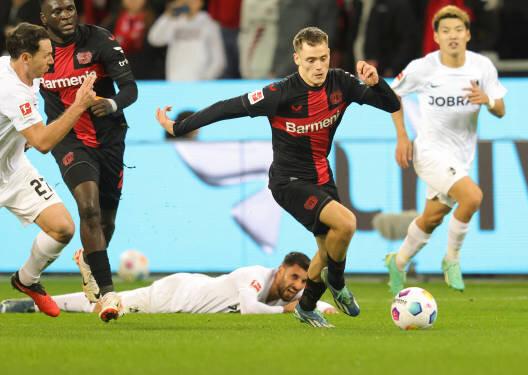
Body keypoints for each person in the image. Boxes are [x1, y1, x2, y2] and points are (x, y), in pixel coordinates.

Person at [155, 27, 403, 328]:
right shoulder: (279, 93)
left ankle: (307, 306)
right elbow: (227, 108)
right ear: (297, 58)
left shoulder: (342, 83)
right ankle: (337, 283)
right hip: (288, 182)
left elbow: (390, 104)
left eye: (323, 58)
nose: (318, 66)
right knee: (346, 222)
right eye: (311, 59)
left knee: (327, 250)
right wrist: (180, 127)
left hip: (322, 176)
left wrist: (377, 83)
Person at [384, 6, 507, 295]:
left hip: (460, 157)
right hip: (428, 152)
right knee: (472, 197)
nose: (452, 35)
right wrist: (402, 136)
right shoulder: (423, 68)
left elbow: (501, 109)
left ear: (468, 34)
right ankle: (451, 260)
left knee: (432, 218)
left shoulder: (482, 67)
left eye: (458, 30)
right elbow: (391, 95)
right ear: (436, 37)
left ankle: (397, 262)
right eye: (446, 31)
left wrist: (487, 99)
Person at [38, 0, 139, 322]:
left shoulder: (99, 40)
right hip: (68, 139)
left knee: (106, 220)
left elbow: (130, 88)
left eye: (70, 8)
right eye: (58, 11)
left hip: (109, 138)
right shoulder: (38, 51)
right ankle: (109, 294)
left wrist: (111, 104)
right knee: (89, 208)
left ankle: (90, 259)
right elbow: (18, 91)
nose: (66, 15)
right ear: (44, 18)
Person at [0, 22, 96, 317]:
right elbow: (42, 142)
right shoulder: (12, 90)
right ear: (26, 58)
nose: (52, 60)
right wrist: (79, 106)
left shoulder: (21, 70)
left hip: (12, 168)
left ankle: (27, 279)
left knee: (63, 228)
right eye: (46, 56)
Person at [1, 252, 337, 316]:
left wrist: (324, 306)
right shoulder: (255, 275)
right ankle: (28, 304)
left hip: (185, 293)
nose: (297, 286)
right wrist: (288, 312)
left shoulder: (285, 293)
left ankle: (32, 304)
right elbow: (250, 308)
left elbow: (308, 302)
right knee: (104, 307)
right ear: (280, 270)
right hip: (174, 296)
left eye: (302, 283)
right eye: (294, 277)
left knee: (103, 305)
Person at [147, 0, 226, 81]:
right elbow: (154, 39)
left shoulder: (209, 23)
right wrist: (167, 15)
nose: (189, 2)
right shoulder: (173, 20)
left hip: (200, 82)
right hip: (175, 81)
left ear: (201, 3)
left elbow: (218, 59)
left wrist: (206, 79)